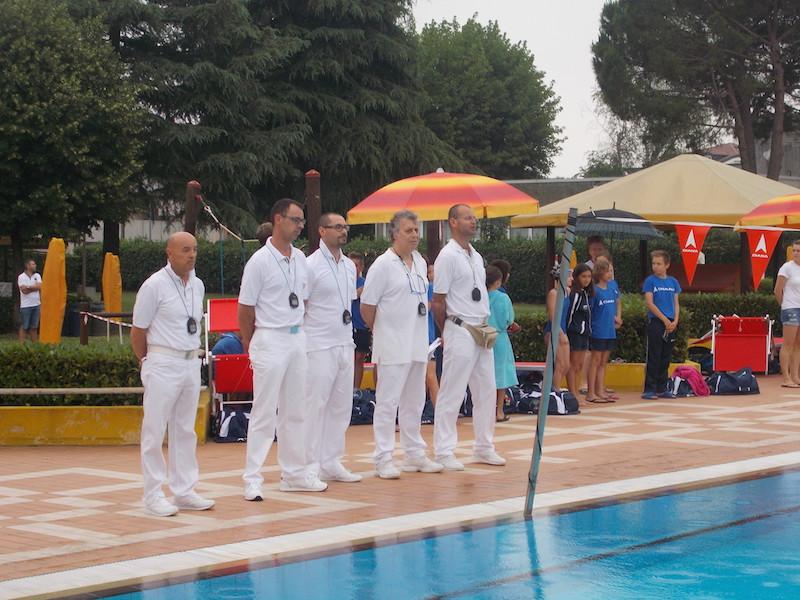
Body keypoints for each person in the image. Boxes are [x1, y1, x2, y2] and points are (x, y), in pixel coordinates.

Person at [238, 198, 325, 501]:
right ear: (278, 219)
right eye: (295, 220)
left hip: (296, 336)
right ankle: (252, 478)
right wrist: (251, 341)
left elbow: (304, 298)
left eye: (302, 221)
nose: (300, 226)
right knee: (264, 411)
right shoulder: (259, 261)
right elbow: (245, 308)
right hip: (270, 337)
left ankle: (294, 474)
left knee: (295, 410)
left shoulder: (300, 258)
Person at [131, 232, 214, 517]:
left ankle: (184, 490)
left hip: (190, 362)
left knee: (185, 430)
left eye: (195, 249)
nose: (192, 255)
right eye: (185, 250)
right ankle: (153, 494)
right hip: (163, 361)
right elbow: (138, 330)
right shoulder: (154, 285)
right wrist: (147, 361)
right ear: (170, 253)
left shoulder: (198, 285)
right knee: (154, 430)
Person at [360, 210, 443, 479]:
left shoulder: (419, 261)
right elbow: (367, 307)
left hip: (417, 343)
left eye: (417, 230)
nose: (415, 235)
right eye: (409, 230)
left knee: (414, 401)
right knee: (388, 402)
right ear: (394, 234)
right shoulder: (382, 265)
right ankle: (383, 458)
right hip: (392, 344)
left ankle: (414, 454)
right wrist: (382, 330)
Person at [432, 204, 506, 470]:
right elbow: (438, 300)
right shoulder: (447, 256)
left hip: (481, 327)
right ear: (453, 222)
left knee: (486, 390)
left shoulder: (476, 255)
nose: (473, 221)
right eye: (467, 218)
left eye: (474, 218)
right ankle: (443, 450)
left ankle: (484, 446)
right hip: (459, 326)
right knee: (452, 390)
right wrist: (445, 331)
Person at [304, 213, 362, 483]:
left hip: (344, 341)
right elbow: (302, 306)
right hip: (318, 343)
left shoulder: (349, 266)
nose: (343, 231)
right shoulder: (310, 265)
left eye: (345, 227)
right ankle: (309, 465)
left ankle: (331, 461)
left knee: (341, 406)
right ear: (322, 231)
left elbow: (347, 303)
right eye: (337, 227)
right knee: (315, 406)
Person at [642, 250, 681, 399]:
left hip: (671, 323)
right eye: (653, 263)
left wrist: (675, 320)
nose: (655, 266)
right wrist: (664, 319)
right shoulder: (650, 281)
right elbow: (649, 303)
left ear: (667, 265)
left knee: (666, 356)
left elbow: (676, 303)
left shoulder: (673, 282)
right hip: (657, 322)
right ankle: (650, 389)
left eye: (659, 263)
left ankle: (662, 387)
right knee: (654, 355)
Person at [586, 257, 622, 404]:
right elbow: (590, 311)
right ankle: (591, 392)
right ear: (600, 273)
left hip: (609, 331)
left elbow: (614, 306)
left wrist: (617, 318)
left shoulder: (611, 288)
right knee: (595, 361)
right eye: (607, 271)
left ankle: (600, 390)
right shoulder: (595, 291)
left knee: (603, 362)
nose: (610, 274)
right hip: (598, 330)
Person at [487, 266, 517, 422]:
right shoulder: (503, 298)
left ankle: (485, 410)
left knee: (486, 375)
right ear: (498, 281)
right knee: (501, 375)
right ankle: (499, 411)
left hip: (483, 337)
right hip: (500, 338)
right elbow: (509, 319)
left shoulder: (480, 296)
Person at [566, 263, 593, 403]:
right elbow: (570, 314)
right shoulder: (575, 294)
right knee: (574, 364)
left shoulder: (585, 293)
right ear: (576, 277)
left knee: (580, 365)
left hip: (584, 333)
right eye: (583, 276)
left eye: (589, 276)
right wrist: (568, 331)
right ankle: (573, 393)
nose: (587, 279)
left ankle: (575, 391)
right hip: (575, 333)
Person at [774, 239, 800, 387]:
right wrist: (784, 305)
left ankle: (795, 376)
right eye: (794, 250)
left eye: (798, 251)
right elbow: (777, 290)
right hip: (790, 308)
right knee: (788, 344)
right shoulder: (786, 268)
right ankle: (786, 377)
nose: (795, 253)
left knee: (798, 344)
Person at [544, 266, 571, 393]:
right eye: (569, 276)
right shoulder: (553, 293)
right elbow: (552, 316)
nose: (571, 279)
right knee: (560, 364)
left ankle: (555, 388)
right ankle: (555, 391)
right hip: (554, 331)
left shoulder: (567, 292)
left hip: (563, 330)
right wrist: (560, 333)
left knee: (566, 365)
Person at [349, 251, 371, 390]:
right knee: (349, 358)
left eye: (356, 265)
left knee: (360, 357)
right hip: (348, 326)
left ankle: (356, 389)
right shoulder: (344, 280)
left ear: (361, 267)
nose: (354, 268)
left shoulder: (366, 283)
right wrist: (358, 292)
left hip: (362, 325)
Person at [425, 262, 440, 417]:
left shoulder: (429, 287)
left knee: (430, 375)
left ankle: (438, 410)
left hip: (427, 338)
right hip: (421, 337)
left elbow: (427, 308)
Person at [17, 259, 42, 343]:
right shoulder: (21, 277)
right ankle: (21, 345)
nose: (35, 265)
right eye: (33, 264)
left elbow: (39, 286)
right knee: (25, 326)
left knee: (34, 326)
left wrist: (28, 287)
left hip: (36, 304)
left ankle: (34, 345)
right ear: (27, 266)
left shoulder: (37, 275)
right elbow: (24, 291)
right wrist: (34, 287)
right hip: (26, 305)